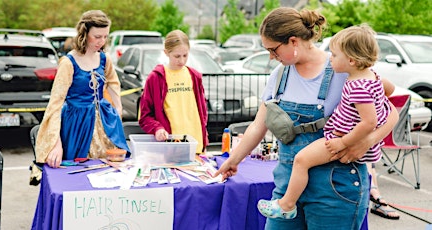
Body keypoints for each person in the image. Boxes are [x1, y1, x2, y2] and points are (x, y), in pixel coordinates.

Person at [214, 7, 398, 230]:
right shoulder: (279, 76)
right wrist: (232, 161)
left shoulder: (344, 66)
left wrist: (368, 141)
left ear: (293, 41)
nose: (272, 57)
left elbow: (390, 110)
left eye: (274, 50)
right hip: (287, 189)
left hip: (336, 192)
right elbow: (257, 126)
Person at [256, 24, 392, 220]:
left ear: (352, 60)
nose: (331, 57)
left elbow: (371, 121)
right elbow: (388, 95)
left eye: (335, 55)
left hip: (338, 151)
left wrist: (347, 142)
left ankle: (286, 204)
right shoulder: (370, 78)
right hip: (328, 152)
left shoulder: (356, 84)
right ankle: (287, 202)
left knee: (302, 160)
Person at [34, 10, 129, 169]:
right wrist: (56, 144)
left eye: (105, 36)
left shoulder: (104, 58)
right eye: (97, 37)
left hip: (105, 120)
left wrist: (118, 108)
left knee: (111, 169)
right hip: (77, 123)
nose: (102, 41)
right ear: (84, 34)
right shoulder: (68, 63)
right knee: (79, 169)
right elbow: (55, 106)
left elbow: (113, 82)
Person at [139, 29, 208, 154]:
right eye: (177, 56)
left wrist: (204, 138)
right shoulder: (155, 78)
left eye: (185, 55)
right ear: (166, 52)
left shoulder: (194, 76)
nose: (181, 61)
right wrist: (157, 129)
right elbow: (144, 116)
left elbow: (202, 113)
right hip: (170, 148)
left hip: (196, 146)